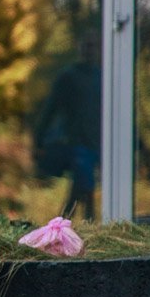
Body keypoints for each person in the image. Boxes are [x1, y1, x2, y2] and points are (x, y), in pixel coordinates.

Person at [34, 33, 102, 221]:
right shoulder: (69, 77)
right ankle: (83, 226)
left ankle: (63, 226)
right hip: (76, 141)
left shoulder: (99, 77)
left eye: (93, 47)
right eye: (86, 47)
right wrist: (38, 140)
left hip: (94, 141)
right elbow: (51, 108)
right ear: (80, 50)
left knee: (80, 189)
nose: (90, 51)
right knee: (85, 187)